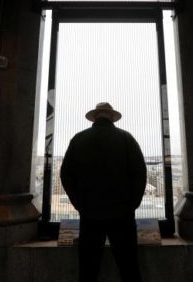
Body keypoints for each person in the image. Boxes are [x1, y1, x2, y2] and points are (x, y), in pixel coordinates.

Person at [61, 102, 147, 282]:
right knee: (129, 268)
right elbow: (140, 173)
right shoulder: (126, 138)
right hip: (122, 214)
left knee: (88, 271)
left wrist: (79, 204)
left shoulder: (78, 139)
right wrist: (132, 204)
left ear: (95, 117)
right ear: (112, 117)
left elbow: (66, 175)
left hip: (90, 214)